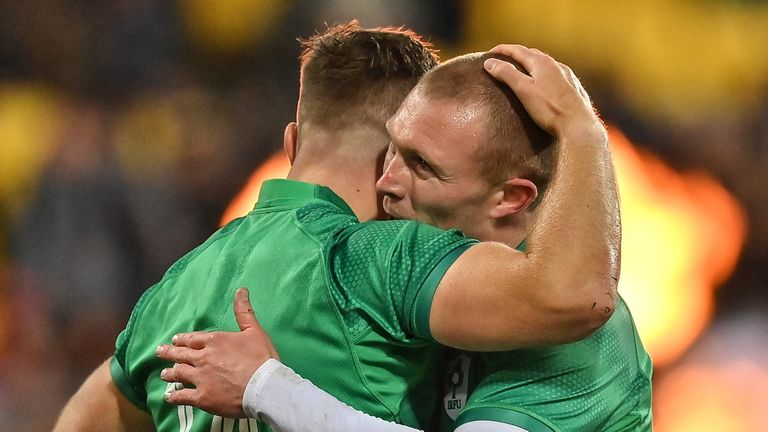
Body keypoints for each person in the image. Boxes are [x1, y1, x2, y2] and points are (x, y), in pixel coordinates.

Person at [54, 22, 619, 432]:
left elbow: (78, 422)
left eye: (421, 163)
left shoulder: (172, 289)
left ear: (292, 144)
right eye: (406, 158)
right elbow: (575, 297)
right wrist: (584, 133)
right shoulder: (382, 259)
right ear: (386, 164)